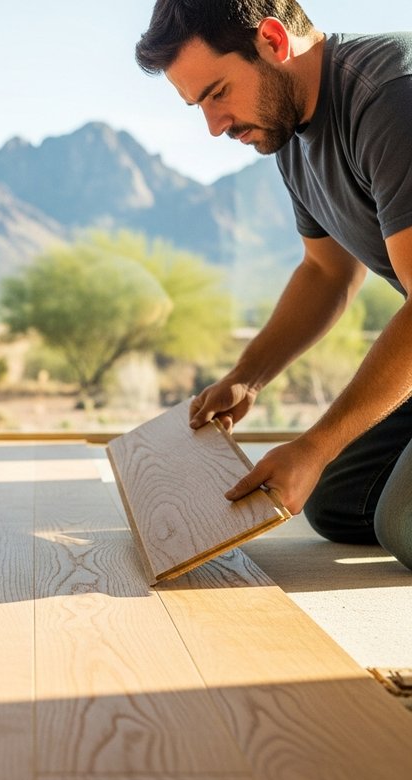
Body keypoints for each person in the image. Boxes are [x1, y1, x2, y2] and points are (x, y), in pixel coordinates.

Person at [135, 0, 412, 570]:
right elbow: (326, 270)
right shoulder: (291, 134)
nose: (214, 126)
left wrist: (314, 445)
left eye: (216, 93)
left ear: (272, 40)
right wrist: (247, 377)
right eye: (198, 107)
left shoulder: (392, 97)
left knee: (400, 524)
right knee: (337, 501)